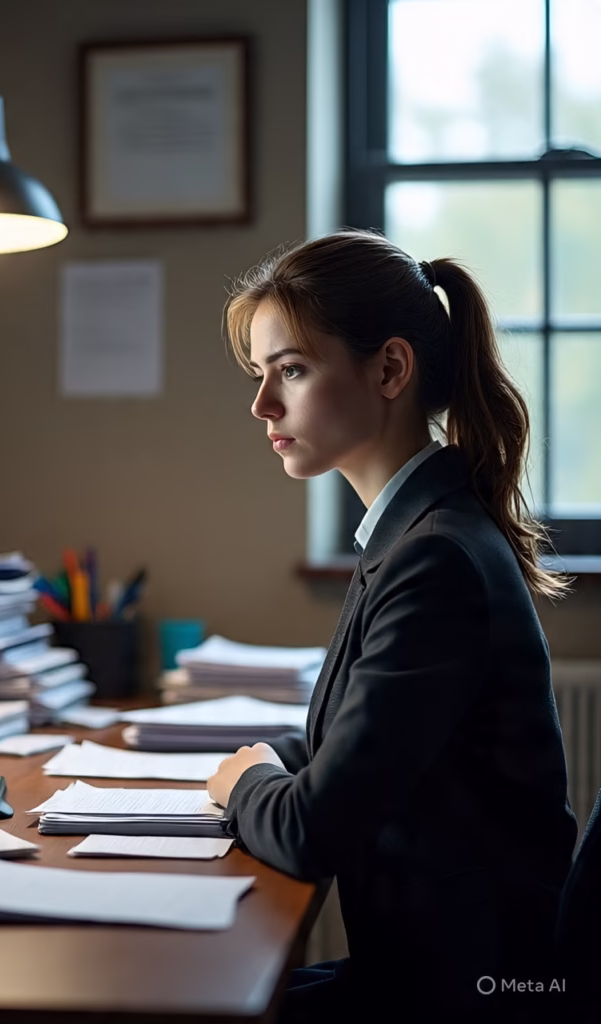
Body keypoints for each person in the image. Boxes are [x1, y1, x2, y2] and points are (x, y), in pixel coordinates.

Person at [210, 230, 578, 1024]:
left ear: (390, 369)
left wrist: (245, 783)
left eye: (292, 371)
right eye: (260, 375)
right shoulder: (415, 533)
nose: (262, 405)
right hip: (439, 974)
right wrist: (268, 758)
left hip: (466, 997)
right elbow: (366, 742)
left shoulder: (434, 558)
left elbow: (311, 831)